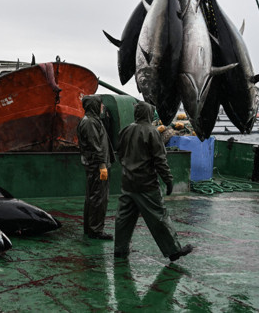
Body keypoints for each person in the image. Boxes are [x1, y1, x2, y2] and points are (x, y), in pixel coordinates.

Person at [113, 101, 193, 261]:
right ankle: (173, 250)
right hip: (147, 184)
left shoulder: (126, 130)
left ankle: (120, 250)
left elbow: (119, 153)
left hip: (128, 183)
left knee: (123, 218)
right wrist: (168, 180)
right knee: (159, 216)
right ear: (149, 114)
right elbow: (160, 160)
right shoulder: (152, 132)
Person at [77, 95, 115, 240]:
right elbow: (95, 146)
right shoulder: (90, 123)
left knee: (93, 197)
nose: (102, 107)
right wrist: (102, 165)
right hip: (97, 166)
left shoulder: (93, 121)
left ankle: (90, 228)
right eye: (100, 105)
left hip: (95, 164)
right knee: (99, 198)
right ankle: (96, 230)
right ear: (94, 105)